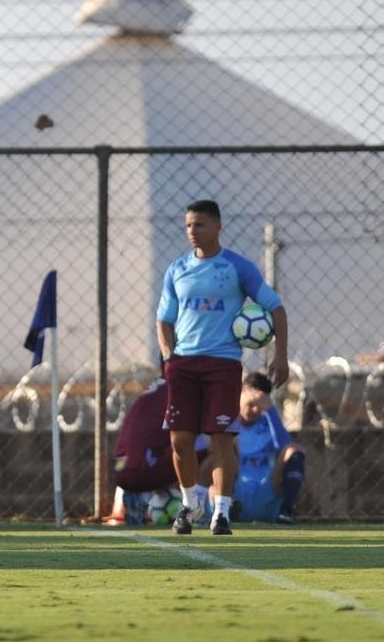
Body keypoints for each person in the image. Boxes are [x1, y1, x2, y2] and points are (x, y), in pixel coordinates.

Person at [156, 199, 289, 536]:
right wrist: (169, 355)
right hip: (183, 365)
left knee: (221, 440)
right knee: (181, 442)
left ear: (218, 227)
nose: (192, 232)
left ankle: (221, 513)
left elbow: (276, 309)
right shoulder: (177, 270)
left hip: (223, 364)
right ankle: (189, 505)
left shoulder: (237, 268)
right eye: (188, 225)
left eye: (199, 225)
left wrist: (281, 355)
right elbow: (164, 319)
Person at [111, 376, 212, 525]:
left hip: (120, 470)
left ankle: (142, 495)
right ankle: (196, 509)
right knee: (218, 445)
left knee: (177, 442)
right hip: (145, 467)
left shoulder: (155, 388)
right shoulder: (184, 388)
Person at [234, 372, 306, 525]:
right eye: (252, 404)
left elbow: (285, 447)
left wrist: (270, 410)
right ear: (240, 393)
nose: (256, 410)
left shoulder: (268, 423)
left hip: (266, 492)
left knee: (294, 450)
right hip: (231, 491)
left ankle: (285, 511)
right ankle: (219, 510)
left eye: (260, 406)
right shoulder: (227, 422)